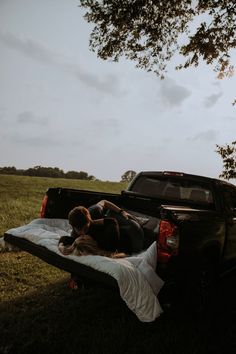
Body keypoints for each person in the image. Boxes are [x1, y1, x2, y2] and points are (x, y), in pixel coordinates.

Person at [59, 200, 144, 255]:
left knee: (132, 224)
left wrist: (121, 211)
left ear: (89, 221)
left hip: (121, 231)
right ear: (73, 227)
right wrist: (61, 247)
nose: (83, 233)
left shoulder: (94, 211)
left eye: (85, 228)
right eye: (79, 230)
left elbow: (105, 202)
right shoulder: (75, 232)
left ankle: (136, 218)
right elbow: (65, 239)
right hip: (107, 223)